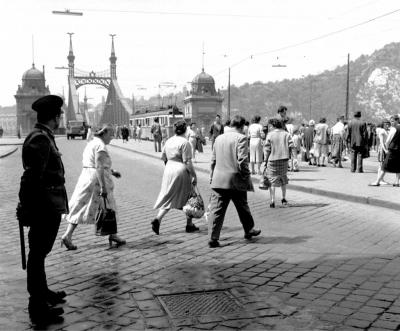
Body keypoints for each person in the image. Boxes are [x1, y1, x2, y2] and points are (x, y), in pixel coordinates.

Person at [17, 95, 68, 325]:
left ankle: (43, 292)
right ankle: (37, 306)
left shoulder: (43, 136)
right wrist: (27, 207)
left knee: (40, 253)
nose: (61, 119)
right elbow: (31, 178)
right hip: (45, 207)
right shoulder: (40, 139)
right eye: (59, 115)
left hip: (48, 204)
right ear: (54, 117)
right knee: (37, 254)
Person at [61, 124, 126, 250]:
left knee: (80, 206)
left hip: (86, 176)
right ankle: (113, 235)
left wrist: (111, 171)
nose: (112, 137)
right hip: (96, 179)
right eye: (111, 135)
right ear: (104, 133)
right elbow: (99, 166)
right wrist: (103, 187)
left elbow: (95, 163)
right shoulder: (100, 146)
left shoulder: (91, 143)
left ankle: (68, 235)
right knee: (109, 206)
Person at [208, 115, 261, 248]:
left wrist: (211, 176)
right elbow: (242, 161)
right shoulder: (241, 138)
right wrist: (246, 175)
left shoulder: (219, 138)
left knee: (217, 210)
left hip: (219, 179)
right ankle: (249, 230)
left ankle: (213, 237)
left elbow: (213, 161)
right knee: (242, 206)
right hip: (236, 180)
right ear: (242, 127)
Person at [152, 120, 199, 234]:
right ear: (185, 130)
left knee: (168, 195)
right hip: (180, 169)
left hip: (169, 169)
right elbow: (187, 161)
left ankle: (158, 219)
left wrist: (170, 166)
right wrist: (193, 175)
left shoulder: (168, 141)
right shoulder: (185, 142)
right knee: (190, 197)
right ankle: (189, 224)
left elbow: (163, 157)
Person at [264, 118, 294, 208]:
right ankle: (283, 198)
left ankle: (272, 201)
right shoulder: (287, 134)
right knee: (283, 179)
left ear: (273, 126)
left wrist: (265, 161)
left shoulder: (270, 135)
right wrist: (291, 157)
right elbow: (291, 146)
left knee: (272, 181)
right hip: (284, 160)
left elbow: (267, 149)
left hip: (272, 160)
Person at [372, 115, 400, 186]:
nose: (391, 123)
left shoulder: (394, 129)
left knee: (385, 165)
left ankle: (377, 181)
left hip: (392, 149)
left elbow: (388, 141)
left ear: (397, 120)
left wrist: (387, 148)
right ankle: (397, 182)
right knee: (398, 166)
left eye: (393, 121)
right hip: (399, 150)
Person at [369, 119, 391, 186]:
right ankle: (380, 179)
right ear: (383, 124)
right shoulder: (382, 131)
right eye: (386, 124)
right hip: (383, 148)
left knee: (383, 165)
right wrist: (385, 150)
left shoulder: (386, 131)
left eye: (388, 124)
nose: (387, 125)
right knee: (381, 165)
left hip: (386, 147)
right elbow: (381, 142)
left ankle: (381, 179)